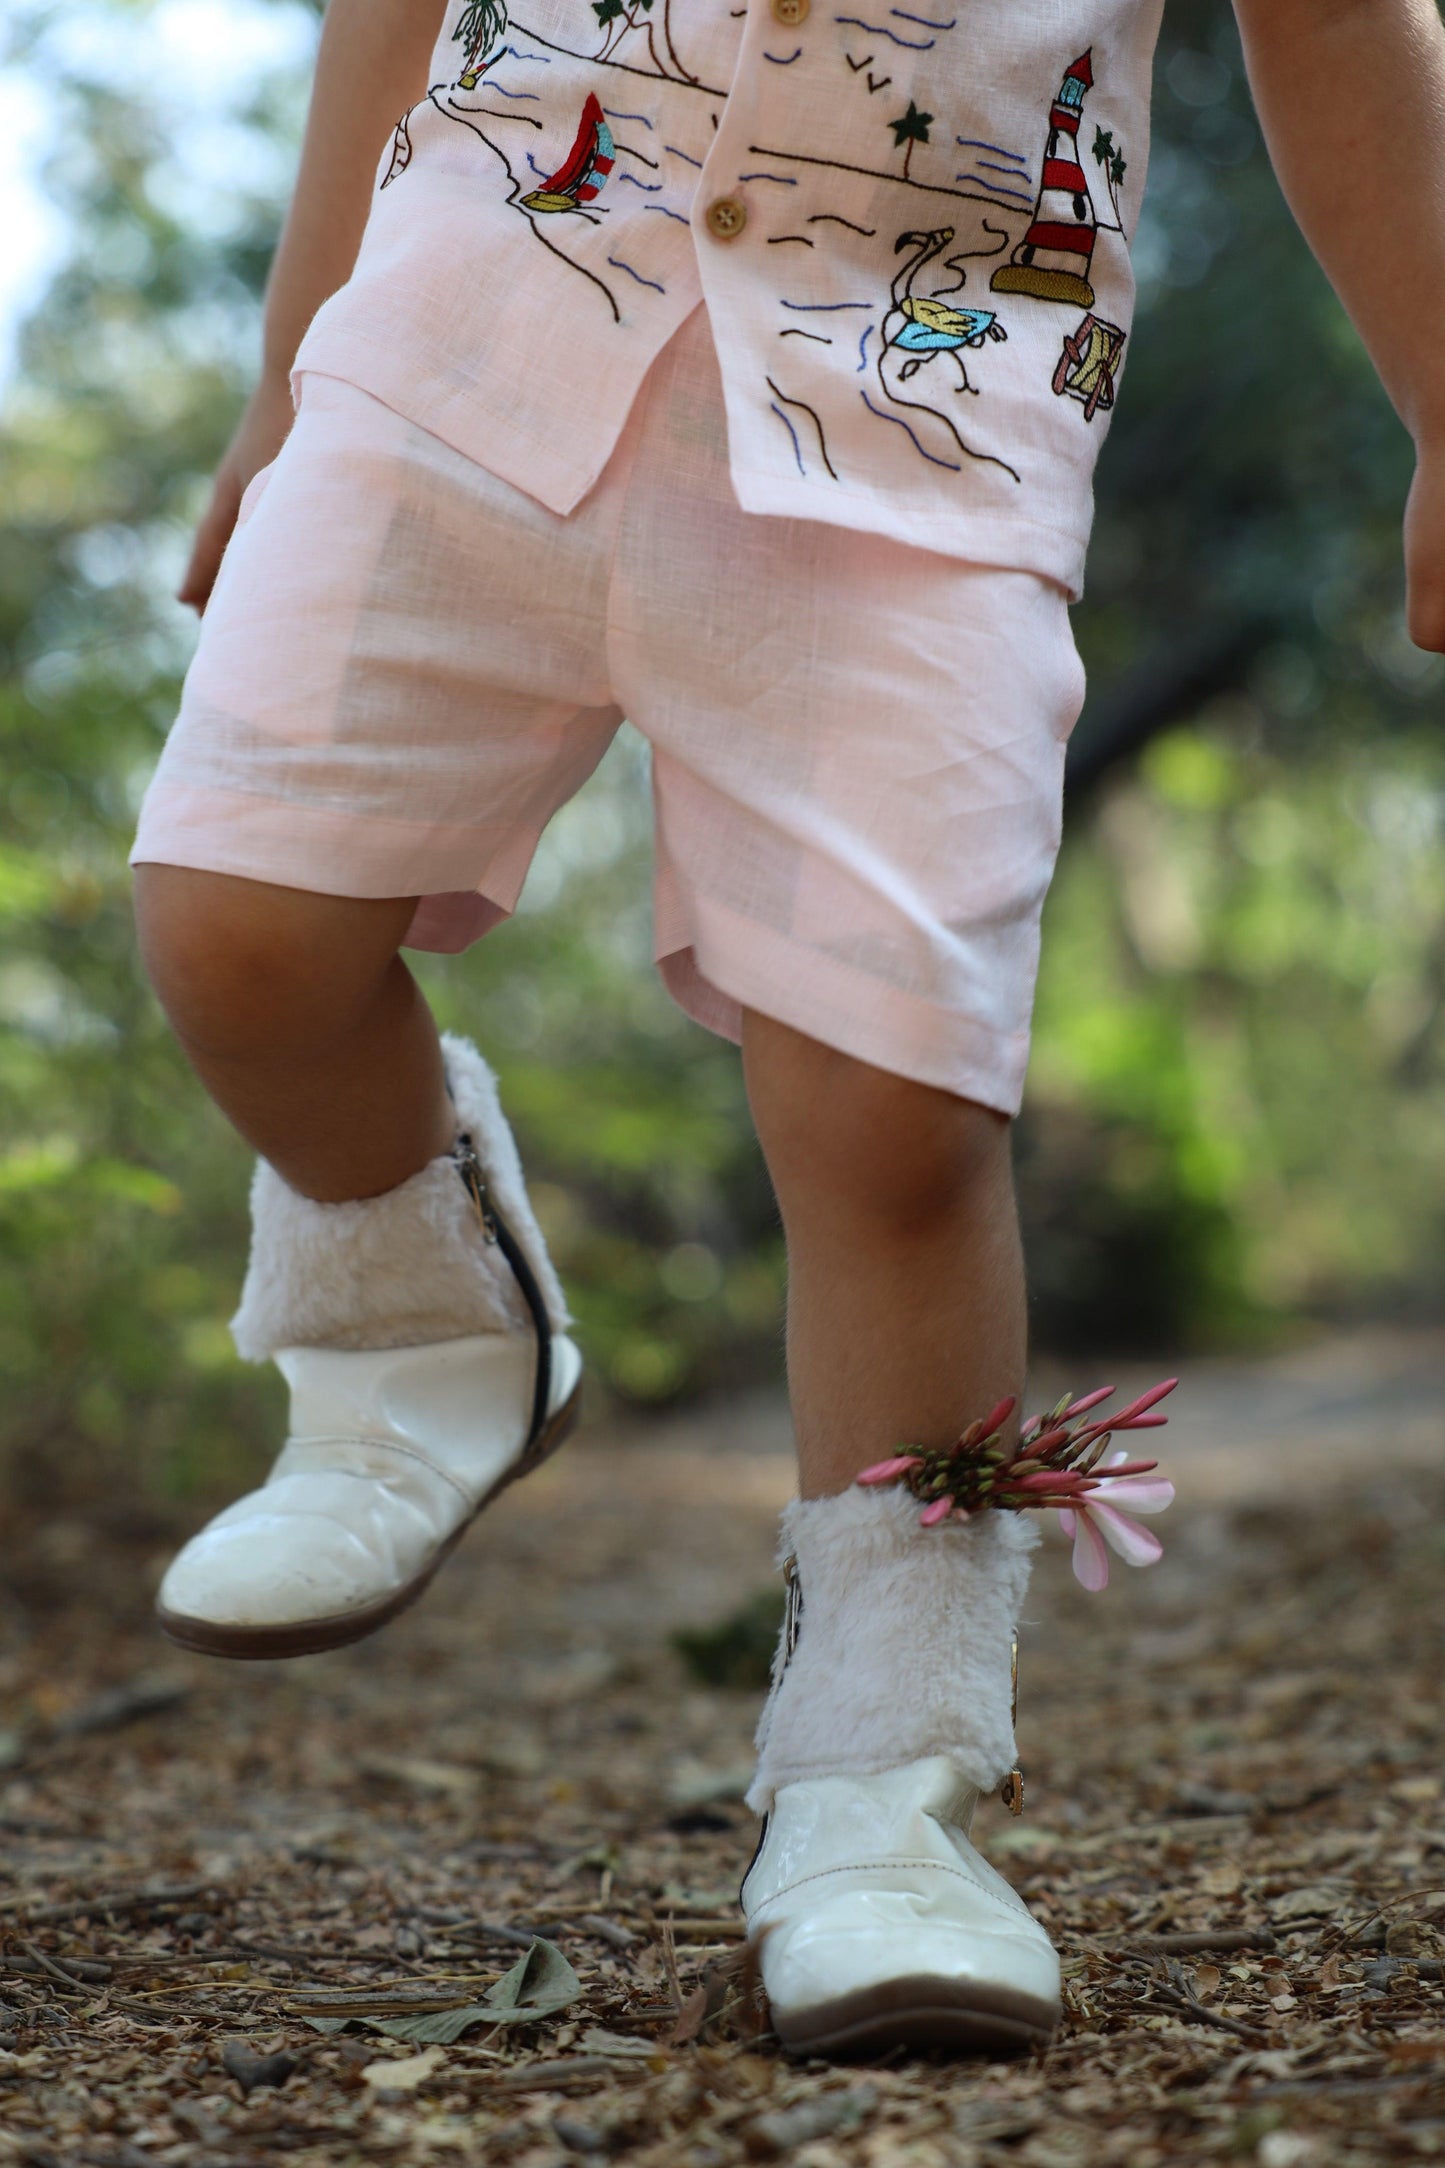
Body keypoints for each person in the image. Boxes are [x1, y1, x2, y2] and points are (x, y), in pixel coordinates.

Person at [130, 0, 1445, 2058]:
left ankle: (883, 1800)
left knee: (897, 1117)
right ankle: (420, 1329)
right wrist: (286, 376)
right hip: (454, 349)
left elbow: (1339, 21)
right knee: (234, 923)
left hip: (926, 444)